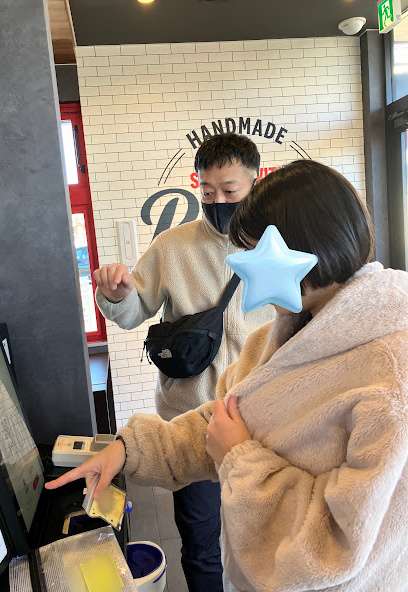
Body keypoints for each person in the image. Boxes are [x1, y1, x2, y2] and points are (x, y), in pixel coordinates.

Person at [48, 159, 408, 592]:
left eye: (256, 255)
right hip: (256, 575)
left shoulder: (392, 375)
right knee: (198, 543)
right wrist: (129, 450)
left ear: (304, 250)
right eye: (207, 190)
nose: (245, 270)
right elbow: (218, 421)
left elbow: (338, 543)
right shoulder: (276, 338)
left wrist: (239, 457)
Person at [92, 133, 275, 592]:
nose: (218, 203)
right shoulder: (173, 246)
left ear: (255, 181)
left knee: (266, 537)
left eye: (230, 191)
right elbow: (134, 310)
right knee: (199, 542)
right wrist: (116, 295)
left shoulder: (277, 249)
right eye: (207, 192)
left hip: (263, 421)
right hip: (191, 422)